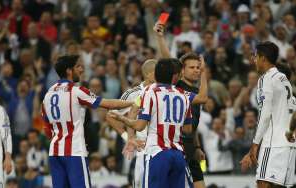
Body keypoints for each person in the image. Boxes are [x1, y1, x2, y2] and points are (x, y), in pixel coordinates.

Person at [109, 58, 208, 188]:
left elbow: (139, 124)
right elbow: (188, 129)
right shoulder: (183, 95)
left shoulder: (148, 92)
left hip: (155, 152)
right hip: (178, 154)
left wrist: (122, 119)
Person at [41, 55, 133, 188]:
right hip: (74, 151)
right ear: (68, 70)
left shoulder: (47, 95)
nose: (82, 69)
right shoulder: (76, 91)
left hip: (54, 153)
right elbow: (108, 104)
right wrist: (134, 102)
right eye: (78, 66)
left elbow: (47, 131)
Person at [154, 22, 206, 188]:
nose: (197, 70)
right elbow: (168, 58)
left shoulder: (193, 90)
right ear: (181, 71)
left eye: (198, 67)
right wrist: (160, 37)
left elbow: (193, 123)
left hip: (191, 147)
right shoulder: (177, 87)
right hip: (178, 146)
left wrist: (197, 146)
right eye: (192, 67)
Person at [240, 41, 296, 188]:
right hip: (289, 145)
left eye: (255, 56)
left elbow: (265, 114)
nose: (254, 60)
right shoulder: (284, 80)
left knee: (263, 184)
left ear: (263, 58)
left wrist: (255, 145)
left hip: (274, 143)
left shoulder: (267, 79)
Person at [105, 59, 157, 188]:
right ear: (149, 74)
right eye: (160, 72)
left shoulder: (165, 92)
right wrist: (128, 138)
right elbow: (110, 115)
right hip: (143, 150)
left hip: (163, 149)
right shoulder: (133, 94)